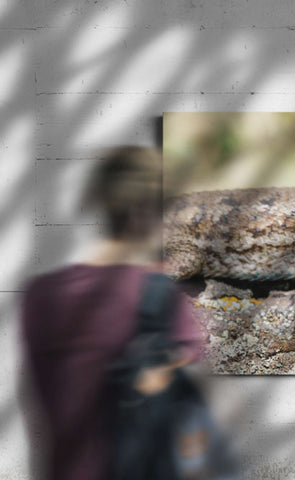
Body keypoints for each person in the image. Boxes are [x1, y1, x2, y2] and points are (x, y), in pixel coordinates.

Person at [21, 146, 202, 480]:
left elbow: (38, 413)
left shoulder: (39, 295)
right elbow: (199, 418)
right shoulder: (158, 294)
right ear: (144, 212)